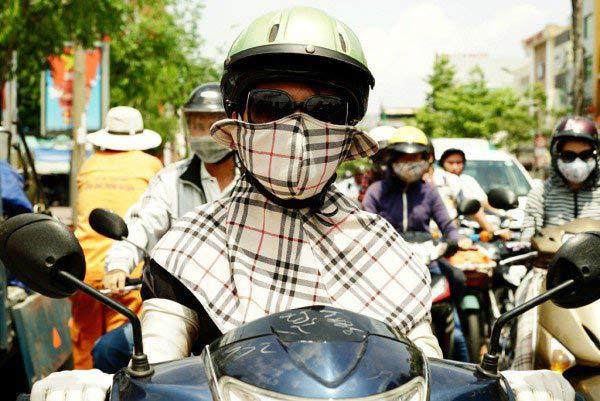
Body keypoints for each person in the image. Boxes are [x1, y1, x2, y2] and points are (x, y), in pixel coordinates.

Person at [31, 7, 574, 401]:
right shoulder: (188, 246)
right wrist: (97, 389)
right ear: (239, 118)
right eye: (271, 105)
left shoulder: (383, 248)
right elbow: (157, 366)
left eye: (325, 109)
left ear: (349, 128)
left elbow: (427, 367)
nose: (297, 128)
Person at [93, 83, 237, 373]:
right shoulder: (170, 179)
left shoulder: (255, 181)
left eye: (212, 124)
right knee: (109, 351)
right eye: (197, 125)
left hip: (240, 307)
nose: (205, 133)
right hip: (182, 305)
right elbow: (142, 224)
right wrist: (119, 264)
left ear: (231, 127)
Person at [362, 126, 470, 362]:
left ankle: (462, 366)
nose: (411, 163)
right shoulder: (376, 192)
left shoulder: (429, 192)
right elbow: (365, 228)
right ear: (392, 159)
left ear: (426, 159)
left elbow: (447, 225)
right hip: (386, 267)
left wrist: (455, 239)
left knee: (455, 322)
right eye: (404, 158)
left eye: (416, 158)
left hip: (427, 265)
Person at [70, 106, 163, 369]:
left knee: (85, 348)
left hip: (83, 270)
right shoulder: (151, 166)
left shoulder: (89, 166)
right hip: (126, 275)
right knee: (120, 356)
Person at [513, 116, 600, 370]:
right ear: (556, 155)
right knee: (526, 331)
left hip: (598, 276)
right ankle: (522, 381)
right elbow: (527, 235)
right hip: (549, 278)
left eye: (585, 155)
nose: (577, 163)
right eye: (569, 156)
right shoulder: (541, 192)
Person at [435, 148, 495, 232]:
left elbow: (484, 202)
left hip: (473, 229)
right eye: (450, 163)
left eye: (458, 163)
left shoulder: (468, 180)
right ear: (442, 163)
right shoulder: (438, 180)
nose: (455, 167)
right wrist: (493, 231)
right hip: (446, 229)